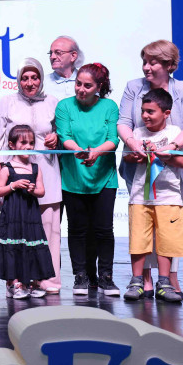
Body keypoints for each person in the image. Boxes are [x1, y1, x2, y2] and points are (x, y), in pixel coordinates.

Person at [118, 40, 183, 297]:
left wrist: (171, 148)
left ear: (169, 65)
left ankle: (168, 279)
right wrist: (133, 145)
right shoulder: (133, 87)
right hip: (139, 174)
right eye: (145, 62)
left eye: (153, 62)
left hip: (171, 177)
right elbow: (123, 122)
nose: (146, 67)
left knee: (167, 231)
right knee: (141, 231)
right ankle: (143, 280)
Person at [0, 58, 62, 293]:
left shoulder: (52, 102)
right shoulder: (8, 102)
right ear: (18, 80)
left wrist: (57, 137)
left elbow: (62, 132)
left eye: (34, 77)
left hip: (46, 171)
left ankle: (47, 280)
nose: (30, 83)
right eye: (24, 78)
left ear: (41, 78)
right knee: (17, 231)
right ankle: (18, 280)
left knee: (49, 229)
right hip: (15, 174)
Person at [56, 63, 121, 297]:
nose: (81, 89)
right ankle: (81, 276)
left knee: (104, 230)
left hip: (104, 177)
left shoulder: (109, 107)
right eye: (78, 84)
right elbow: (64, 135)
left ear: (99, 87)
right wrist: (79, 151)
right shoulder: (64, 106)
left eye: (87, 86)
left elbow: (114, 139)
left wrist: (97, 152)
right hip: (74, 176)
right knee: (77, 229)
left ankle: (105, 277)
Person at [122, 89, 183, 303]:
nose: (145, 115)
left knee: (167, 240)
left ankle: (164, 282)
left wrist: (163, 155)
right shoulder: (137, 133)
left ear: (166, 113)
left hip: (169, 197)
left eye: (150, 111)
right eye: (143, 111)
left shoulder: (176, 132)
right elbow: (127, 158)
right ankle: (137, 281)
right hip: (140, 197)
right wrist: (138, 155)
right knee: (138, 239)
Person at [0, 125, 54, 299]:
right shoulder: (7, 168)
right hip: (12, 215)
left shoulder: (35, 168)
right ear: (12, 145)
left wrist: (33, 190)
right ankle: (13, 283)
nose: (28, 146)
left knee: (30, 246)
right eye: (23, 142)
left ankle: (29, 282)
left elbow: (41, 191)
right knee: (13, 247)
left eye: (31, 143)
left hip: (30, 214)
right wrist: (13, 185)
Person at [44, 36, 84, 101]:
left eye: (58, 53)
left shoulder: (86, 81)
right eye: (51, 53)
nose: (52, 57)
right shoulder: (43, 83)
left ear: (73, 56)